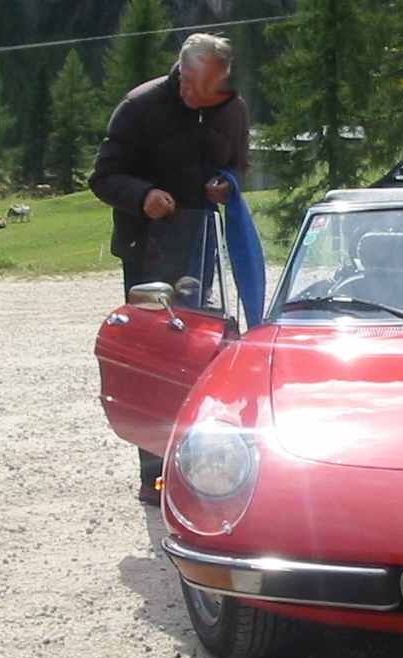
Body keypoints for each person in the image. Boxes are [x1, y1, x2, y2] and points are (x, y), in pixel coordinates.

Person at [89, 33, 249, 505]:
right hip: (148, 250)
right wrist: (143, 196)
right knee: (155, 358)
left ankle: (202, 466)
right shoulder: (139, 107)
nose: (195, 97)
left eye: (208, 89)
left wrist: (227, 184)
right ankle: (154, 473)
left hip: (201, 248)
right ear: (180, 72)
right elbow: (103, 177)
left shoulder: (232, 109)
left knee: (203, 356)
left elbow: (238, 165)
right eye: (189, 85)